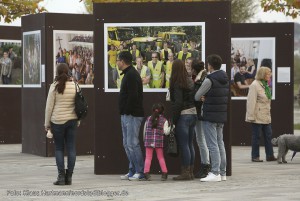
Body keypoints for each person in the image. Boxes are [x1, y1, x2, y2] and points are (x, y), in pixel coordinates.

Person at [195, 54, 228, 182]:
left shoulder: (209, 79)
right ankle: (222, 172)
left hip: (209, 115)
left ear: (210, 65)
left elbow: (197, 96)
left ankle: (215, 173)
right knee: (220, 144)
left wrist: (205, 97)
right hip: (220, 115)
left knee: (212, 145)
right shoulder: (225, 78)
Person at [44, 63, 79, 185]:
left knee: (59, 148)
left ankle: (61, 177)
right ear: (68, 71)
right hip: (72, 120)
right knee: (71, 148)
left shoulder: (54, 86)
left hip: (57, 121)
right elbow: (79, 105)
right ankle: (69, 177)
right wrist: (77, 120)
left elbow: (49, 107)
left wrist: (47, 124)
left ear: (57, 72)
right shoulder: (75, 85)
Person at [117, 51, 145, 181]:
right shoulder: (129, 74)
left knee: (132, 143)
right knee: (127, 143)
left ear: (122, 61)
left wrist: (127, 110)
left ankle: (140, 171)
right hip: (126, 115)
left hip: (132, 115)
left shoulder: (132, 75)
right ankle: (132, 170)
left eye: (118, 60)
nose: (116, 62)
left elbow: (134, 96)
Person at [170, 59, 197, 181]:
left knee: (184, 145)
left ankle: (185, 172)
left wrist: (173, 120)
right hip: (193, 114)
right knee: (190, 144)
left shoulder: (177, 82)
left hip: (184, 115)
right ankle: (190, 172)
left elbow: (178, 103)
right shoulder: (189, 80)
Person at [245, 66, 277, 162]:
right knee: (256, 137)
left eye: (270, 73)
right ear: (262, 74)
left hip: (266, 115)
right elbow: (251, 102)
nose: (270, 75)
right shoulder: (254, 85)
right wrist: (250, 116)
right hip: (257, 115)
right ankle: (255, 156)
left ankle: (270, 155)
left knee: (268, 135)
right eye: (268, 73)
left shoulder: (265, 85)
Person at [191, 59, 210, 179]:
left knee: (201, 140)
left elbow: (197, 97)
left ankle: (205, 166)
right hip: (201, 112)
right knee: (202, 139)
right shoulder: (202, 77)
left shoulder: (201, 79)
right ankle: (206, 165)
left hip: (201, 112)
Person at [143, 103, 170, 181]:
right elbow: (166, 132)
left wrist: (145, 140)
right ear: (162, 111)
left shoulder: (148, 119)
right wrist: (171, 127)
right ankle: (164, 173)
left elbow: (144, 131)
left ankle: (146, 173)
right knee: (161, 158)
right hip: (158, 142)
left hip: (148, 142)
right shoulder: (164, 120)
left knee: (148, 158)